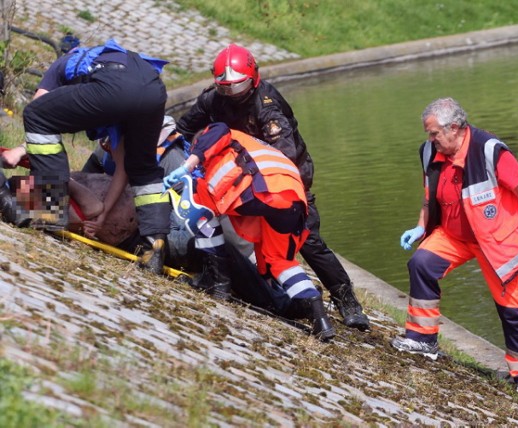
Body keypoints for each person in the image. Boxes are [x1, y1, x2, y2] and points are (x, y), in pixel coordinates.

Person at [175, 44, 370, 331]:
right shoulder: (212, 100)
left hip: (285, 177)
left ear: (252, 78)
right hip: (243, 180)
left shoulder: (267, 106)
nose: (232, 93)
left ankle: (346, 300)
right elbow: (185, 128)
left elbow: (286, 153)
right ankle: (267, 291)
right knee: (251, 237)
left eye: (237, 86)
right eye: (225, 87)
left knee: (308, 239)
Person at [391, 98, 518, 397]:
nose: (430, 139)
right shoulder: (429, 152)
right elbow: (430, 196)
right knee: (421, 264)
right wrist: (421, 226)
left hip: (499, 241)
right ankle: (423, 339)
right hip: (454, 236)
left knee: (514, 308)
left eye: (434, 133)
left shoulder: (489, 150)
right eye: (428, 133)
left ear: (454, 128)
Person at [0, 38, 171, 275]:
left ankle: (51, 210)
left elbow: (40, 110)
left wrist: (18, 150)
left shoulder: (62, 65)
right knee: (143, 169)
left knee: (35, 115)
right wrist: (103, 214)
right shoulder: (119, 76)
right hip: (155, 92)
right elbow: (124, 167)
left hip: (117, 84)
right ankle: (155, 248)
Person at [164, 122, 336, 341]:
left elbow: (219, 131)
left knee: (200, 204)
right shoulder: (256, 146)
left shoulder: (218, 133)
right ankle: (318, 315)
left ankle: (219, 282)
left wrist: (189, 165)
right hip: (291, 198)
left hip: (257, 188)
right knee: (280, 261)